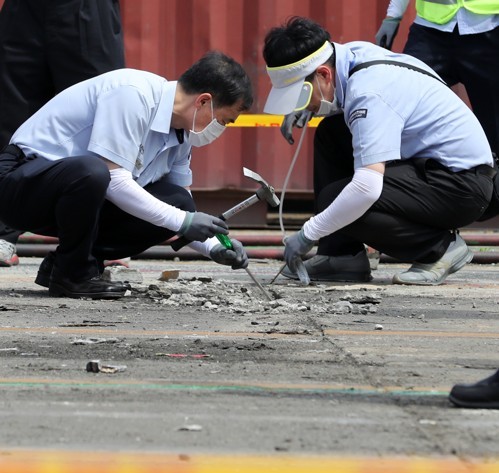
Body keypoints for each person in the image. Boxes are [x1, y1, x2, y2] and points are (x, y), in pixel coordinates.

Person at [262, 16, 496, 285]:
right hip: (439, 170)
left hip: (461, 187)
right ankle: (342, 256)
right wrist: (307, 103)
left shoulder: (369, 93)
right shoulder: (351, 56)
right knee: (332, 133)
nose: (305, 105)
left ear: (324, 74)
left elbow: (366, 188)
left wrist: (307, 234)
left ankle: (439, 248)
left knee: (337, 199)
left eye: (301, 96)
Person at [0, 52, 252, 299]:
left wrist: (216, 246)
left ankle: (65, 265)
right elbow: (116, 182)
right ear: (203, 101)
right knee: (93, 172)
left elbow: (181, 209)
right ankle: (73, 274)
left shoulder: (182, 134)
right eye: (224, 121)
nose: (221, 129)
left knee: (178, 201)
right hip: (19, 183)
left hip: (72, 199)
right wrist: (185, 222)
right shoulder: (132, 93)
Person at [0, 0, 126, 267]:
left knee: (99, 110)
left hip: (86, 7)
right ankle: (3, 229)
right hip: (24, 8)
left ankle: (101, 239)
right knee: (9, 108)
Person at [375, 0, 499, 155]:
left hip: (489, 27)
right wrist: (393, 16)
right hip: (430, 31)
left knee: (495, 119)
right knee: (404, 100)